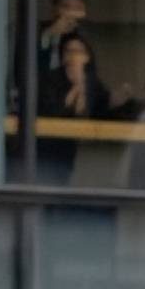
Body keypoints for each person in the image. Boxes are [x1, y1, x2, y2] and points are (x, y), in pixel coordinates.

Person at [37, 32, 123, 185]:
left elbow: (99, 113)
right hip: (52, 148)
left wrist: (115, 101)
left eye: (78, 51)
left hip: (84, 152)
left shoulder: (93, 82)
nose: (73, 56)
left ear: (87, 57)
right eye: (69, 51)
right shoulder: (51, 79)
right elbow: (51, 112)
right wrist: (76, 88)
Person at [38, 0, 88, 75]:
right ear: (54, 8)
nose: (70, 13)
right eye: (65, 7)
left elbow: (90, 74)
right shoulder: (35, 30)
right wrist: (48, 34)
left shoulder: (82, 36)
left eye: (77, 8)